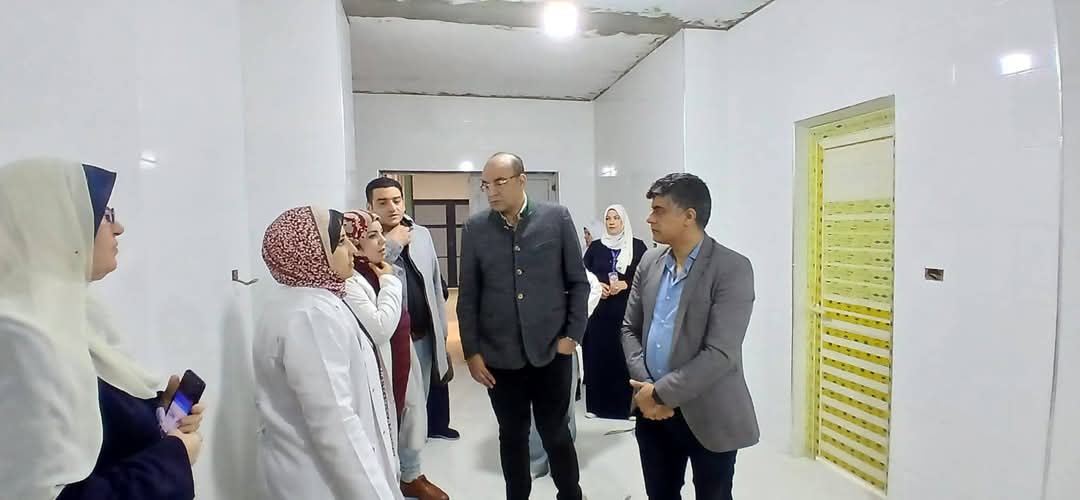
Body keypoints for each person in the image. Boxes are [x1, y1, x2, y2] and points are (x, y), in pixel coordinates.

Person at [0, 158, 204, 500]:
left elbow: (100, 429)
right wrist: (174, 457)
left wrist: (157, 415)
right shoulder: (21, 342)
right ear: (54, 227)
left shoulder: (77, 318)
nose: (118, 227)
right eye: (105, 215)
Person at [458, 152, 588, 500]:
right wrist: (472, 352)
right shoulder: (475, 229)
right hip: (500, 357)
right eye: (486, 184)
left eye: (500, 182)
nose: (492, 191)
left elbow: (578, 282)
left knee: (556, 432)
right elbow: (468, 296)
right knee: (512, 435)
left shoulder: (556, 218)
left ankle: (570, 494)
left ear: (522, 180)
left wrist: (571, 336)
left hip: (551, 351)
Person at [621, 173, 758, 500]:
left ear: (689, 216)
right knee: (660, 494)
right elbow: (629, 328)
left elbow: (720, 353)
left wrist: (660, 394)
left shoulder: (731, 268)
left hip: (709, 410)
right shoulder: (650, 262)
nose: (649, 218)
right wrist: (647, 390)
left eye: (659, 210)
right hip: (652, 411)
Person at [254, 206, 401, 500]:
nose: (352, 249)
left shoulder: (309, 299)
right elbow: (335, 423)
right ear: (311, 253)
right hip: (322, 480)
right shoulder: (310, 315)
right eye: (341, 242)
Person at [342, 209, 448, 500]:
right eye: (372, 236)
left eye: (381, 235)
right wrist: (390, 280)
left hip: (406, 348)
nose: (381, 242)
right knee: (389, 421)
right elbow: (380, 327)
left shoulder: (399, 251)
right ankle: (397, 479)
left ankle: (409, 474)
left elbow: (434, 284)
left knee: (412, 411)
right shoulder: (353, 280)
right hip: (381, 361)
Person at [366, 177, 452, 499]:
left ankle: (409, 471)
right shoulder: (367, 239)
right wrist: (392, 243)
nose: (392, 207)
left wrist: (442, 331)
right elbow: (369, 274)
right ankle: (404, 474)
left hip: (425, 336)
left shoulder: (423, 234)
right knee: (399, 411)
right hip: (393, 341)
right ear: (370, 206)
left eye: (396, 200)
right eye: (383, 202)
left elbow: (434, 283)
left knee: (418, 409)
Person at [528, 270, 604, 480]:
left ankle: (561, 462)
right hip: (532, 345)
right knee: (534, 408)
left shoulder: (570, 265)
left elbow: (593, 286)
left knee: (564, 409)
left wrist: (573, 323)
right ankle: (536, 461)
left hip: (565, 346)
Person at [582, 204, 648, 420]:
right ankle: (596, 406)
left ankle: (626, 408)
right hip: (600, 311)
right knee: (598, 355)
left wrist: (625, 284)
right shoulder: (596, 247)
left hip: (626, 311)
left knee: (624, 356)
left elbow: (646, 276)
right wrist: (597, 287)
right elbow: (582, 274)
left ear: (623, 221)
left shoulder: (637, 247)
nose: (611, 222)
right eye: (608, 218)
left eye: (616, 218)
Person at [426, 276, 458, 441]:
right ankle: (429, 425)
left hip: (433, 323)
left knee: (438, 374)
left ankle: (438, 425)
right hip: (416, 327)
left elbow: (442, 290)